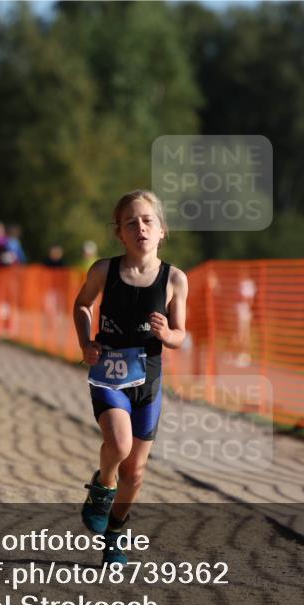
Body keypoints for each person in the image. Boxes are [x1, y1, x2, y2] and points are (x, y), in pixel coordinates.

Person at [72, 190, 188, 565]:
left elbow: (181, 333)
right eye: (131, 222)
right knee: (119, 446)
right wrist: (85, 342)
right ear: (119, 233)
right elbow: (82, 304)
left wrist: (167, 335)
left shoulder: (175, 279)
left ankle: (114, 537)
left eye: (147, 220)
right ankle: (103, 485)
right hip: (108, 375)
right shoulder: (104, 270)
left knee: (135, 473)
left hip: (148, 383)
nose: (140, 227)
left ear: (161, 231)